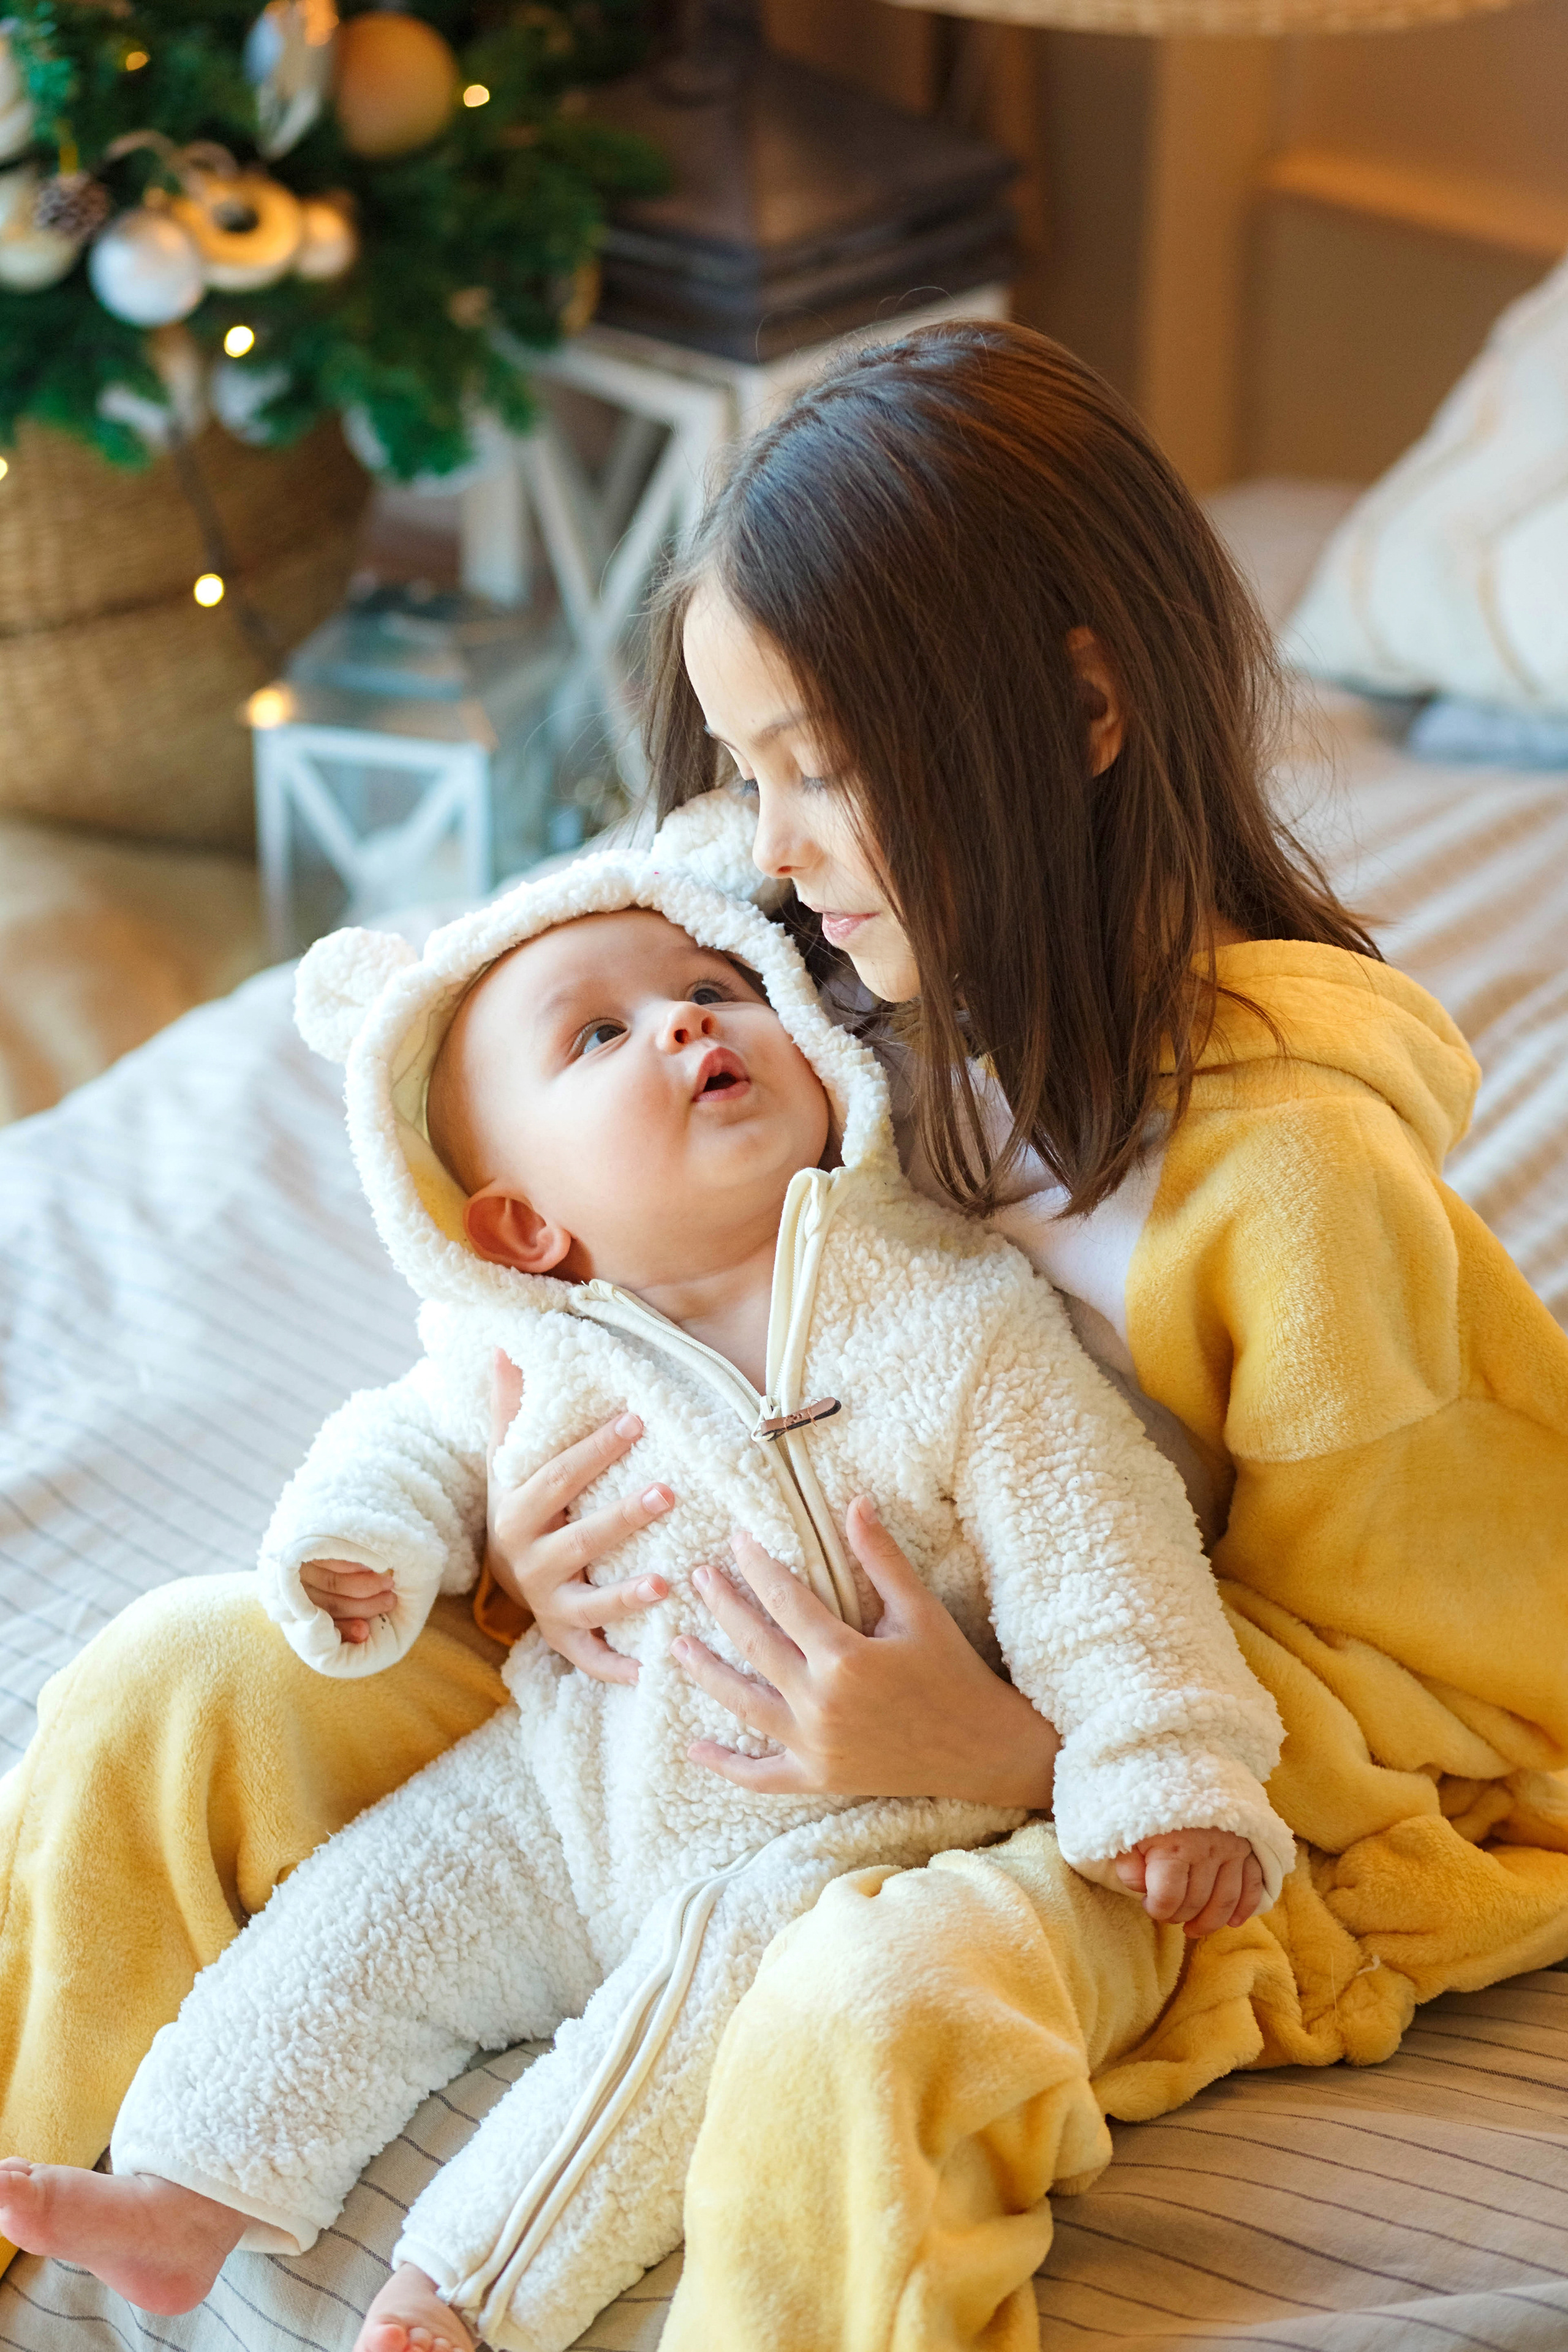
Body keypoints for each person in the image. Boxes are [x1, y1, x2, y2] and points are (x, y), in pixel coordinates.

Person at [1, 318, 1564, 2351]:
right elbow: (576, 1270)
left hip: (1108, 1767)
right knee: (179, 1679)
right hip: (695, 1692)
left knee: (863, 2015)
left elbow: (1487, 1698)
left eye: (824, 769)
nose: (775, 845)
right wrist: (499, 1553)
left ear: (1078, 712)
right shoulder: (819, 996)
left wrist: (1009, 1752)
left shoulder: (1285, 1192)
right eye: (751, 772)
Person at [0, 829, 1290, 2352]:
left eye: (709, 986)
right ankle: (184, 2189)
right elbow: (402, 1445)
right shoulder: (532, 1344)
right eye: (598, 1036)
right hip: (564, 1789)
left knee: (682, 2021)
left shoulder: (960, 1323)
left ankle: (468, 2288)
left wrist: (1168, 1771)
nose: (685, 1023)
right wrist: (362, 1550)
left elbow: (1103, 1557)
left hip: (833, 1827)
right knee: (361, 1921)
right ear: (523, 1228)